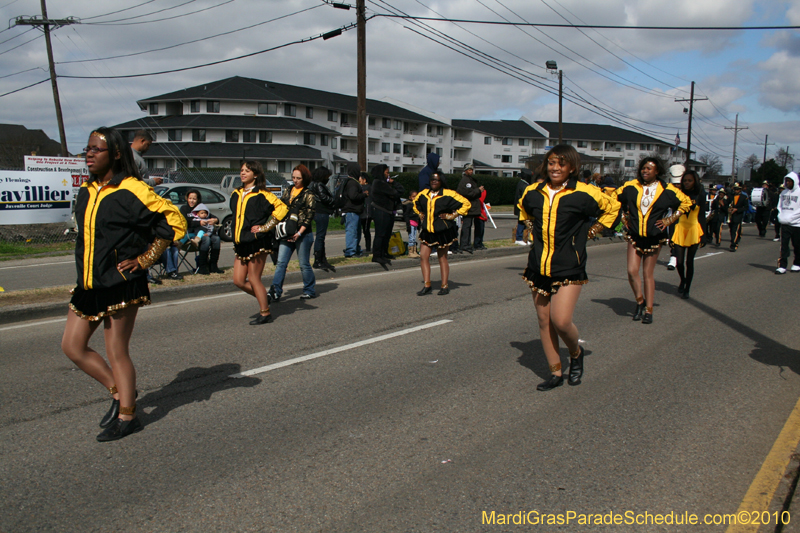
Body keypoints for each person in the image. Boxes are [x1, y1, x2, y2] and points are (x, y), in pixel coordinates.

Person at [61, 127, 186, 442]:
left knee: (116, 350)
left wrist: (144, 260)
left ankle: (129, 417)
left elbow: (174, 222)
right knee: (72, 346)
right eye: (87, 149)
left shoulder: (133, 189)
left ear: (116, 154)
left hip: (121, 282)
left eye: (96, 149)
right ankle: (119, 393)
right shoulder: (87, 190)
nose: (89, 154)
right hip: (89, 282)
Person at [519, 145, 619, 391]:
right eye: (551, 163)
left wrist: (593, 231)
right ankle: (555, 373)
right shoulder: (533, 191)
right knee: (544, 320)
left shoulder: (584, 192)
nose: (555, 168)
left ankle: (575, 353)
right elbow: (523, 209)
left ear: (572, 167)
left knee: (561, 321)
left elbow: (613, 207)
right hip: (538, 265)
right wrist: (530, 228)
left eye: (561, 164)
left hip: (569, 266)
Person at [616, 157, 691, 324]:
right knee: (631, 271)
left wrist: (669, 219)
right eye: (643, 168)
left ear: (657, 171)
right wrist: (623, 217)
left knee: (647, 274)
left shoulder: (667, 189)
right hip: (634, 235)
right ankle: (639, 301)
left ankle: (648, 310)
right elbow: (612, 198)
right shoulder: (630, 186)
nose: (645, 171)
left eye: (649, 168)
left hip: (654, 236)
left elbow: (686, 203)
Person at [230, 160, 288, 325]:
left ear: (255, 174)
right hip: (241, 242)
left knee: (254, 278)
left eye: (247, 171)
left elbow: (282, 209)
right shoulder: (236, 193)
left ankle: (265, 313)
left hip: (257, 242)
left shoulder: (263, 194)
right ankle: (264, 296)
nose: (243, 173)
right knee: (238, 280)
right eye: (242, 170)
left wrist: (265, 227)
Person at [413, 170, 470, 295]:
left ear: (441, 181)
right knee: (423, 256)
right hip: (427, 230)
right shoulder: (424, 194)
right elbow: (415, 203)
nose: (434, 182)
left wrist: (452, 215)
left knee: (442, 258)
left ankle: (444, 286)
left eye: (436, 180)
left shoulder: (449, 194)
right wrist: (420, 213)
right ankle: (427, 285)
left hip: (442, 231)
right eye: (432, 179)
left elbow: (466, 204)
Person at [269, 164, 317, 300]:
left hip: (303, 233)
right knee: (281, 263)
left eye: (298, 178)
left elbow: (309, 216)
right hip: (287, 231)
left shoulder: (308, 194)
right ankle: (275, 291)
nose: (295, 180)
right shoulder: (288, 190)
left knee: (304, 264)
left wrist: (299, 233)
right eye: (293, 177)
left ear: (304, 179)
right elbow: (281, 207)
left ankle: (309, 289)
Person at [671, 170, 706, 299]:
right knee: (679, 262)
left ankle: (687, 288)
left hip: (694, 229)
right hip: (680, 228)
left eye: (690, 180)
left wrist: (704, 235)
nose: (687, 183)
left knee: (689, 261)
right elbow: (674, 215)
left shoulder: (700, 195)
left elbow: (702, 216)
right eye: (685, 180)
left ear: (695, 181)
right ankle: (683, 279)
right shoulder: (678, 194)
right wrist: (671, 235)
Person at [179, 189, 222, 274]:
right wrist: (199, 223)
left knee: (216, 239)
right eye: (190, 198)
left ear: (198, 199)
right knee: (206, 239)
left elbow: (212, 216)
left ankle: (213, 266)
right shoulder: (184, 209)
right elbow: (186, 222)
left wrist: (215, 220)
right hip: (191, 234)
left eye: (194, 199)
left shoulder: (201, 208)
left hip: (204, 232)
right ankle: (202, 266)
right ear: (187, 198)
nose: (191, 201)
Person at [369, 164, 402, 265]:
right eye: (386, 173)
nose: (388, 175)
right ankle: (377, 255)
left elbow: (399, 192)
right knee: (380, 234)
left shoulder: (384, 183)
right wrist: (394, 188)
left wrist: (393, 183)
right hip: (381, 211)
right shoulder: (378, 183)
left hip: (388, 211)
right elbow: (395, 193)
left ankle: (384, 253)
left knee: (387, 234)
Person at [309, 166, 336, 271]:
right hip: (321, 211)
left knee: (321, 236)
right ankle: (318, 260)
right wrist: (333, 200)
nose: (327, 178)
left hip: (317, 211)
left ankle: (322, 259)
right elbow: (324, 198)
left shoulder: (312, 184)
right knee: (320, 236)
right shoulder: (319, 184)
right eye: (327, 176)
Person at [456, 163, 484, 254]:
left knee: (468, 226)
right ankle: (464, 244)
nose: (471, 171)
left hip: (471, 207)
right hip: (468, 206)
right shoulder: (465, 181)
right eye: (469, 170)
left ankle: (467, 244)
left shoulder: (469, 180)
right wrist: (478, 190)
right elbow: (467, 193)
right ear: (465, 171)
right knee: (466, 226)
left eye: (471, 170)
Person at [341, 163, 368, 258]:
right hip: (351, 210)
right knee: (352, 232)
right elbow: (353, 196)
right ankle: (350, 251)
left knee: (356, 232)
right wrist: (364, 195)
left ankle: (355, 249)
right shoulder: (352, 183)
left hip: (354, 211)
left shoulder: (350, 181)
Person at [776, 172, 800, 274]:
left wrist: (791, 218)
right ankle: (782, 266)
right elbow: (779, 206)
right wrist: (780, 216)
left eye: (790, 181)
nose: (788, 183)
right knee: (784, 245)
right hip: (785, 224)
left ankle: (797, 264)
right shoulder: (783, 193)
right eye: (787, 181)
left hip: (797, 224)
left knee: (797, 245)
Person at [665, 164, 685, 271]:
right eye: (675, 184)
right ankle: (673, 257)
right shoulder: (669, 190)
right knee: (673, 237)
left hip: (686, 218)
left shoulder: (687, 191)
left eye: (679, 184)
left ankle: (678, 257)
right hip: (673, 216)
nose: (677, 186)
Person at [727, 181, 748, 252]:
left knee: (735, 230)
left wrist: (737, 209)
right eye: (735, 189)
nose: (736, 190)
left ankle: (734, 244)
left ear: (740, 190)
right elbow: (727, 204)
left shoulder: (744, 197)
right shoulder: (730, 196)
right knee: (732, 230)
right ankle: (734, 240)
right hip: (731, 216)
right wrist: (728, 209)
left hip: (738, 216)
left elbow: (746, 207)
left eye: (737, 189)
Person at [514, 169, 532, 245]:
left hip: (520, 206)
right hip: (521, 207)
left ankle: (524, 238)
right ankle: (519, 238)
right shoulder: (524, 185)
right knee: (522, 222)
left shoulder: (521, 183)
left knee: (524, 222)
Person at [403, 190, 421, 258]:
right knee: (411, 238)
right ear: (410, 197)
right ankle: (410, 252)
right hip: (411, 223)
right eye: (413, 196)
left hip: (416, 223)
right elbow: (406, 215)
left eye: (416, 196)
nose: (415, 198)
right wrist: (408, 224)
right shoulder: (409, 205)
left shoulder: (416, 205)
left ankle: (414, 251)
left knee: (414, 238)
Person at [359, 172, 373, 253]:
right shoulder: (371, 187)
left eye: (360, 180)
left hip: (366, 212)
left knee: (365, 230)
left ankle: (368, 247)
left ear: (364, 180)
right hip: (366, 212)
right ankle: (368, 247)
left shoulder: (366, 188)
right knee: (366, 230)